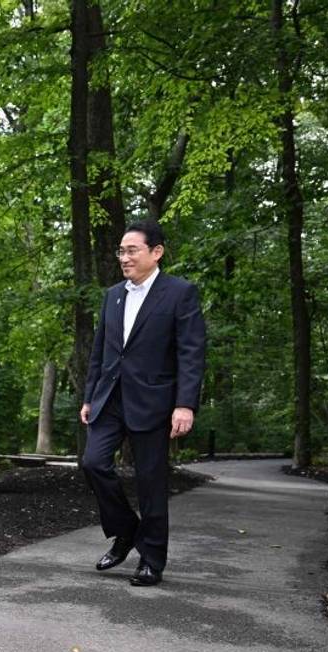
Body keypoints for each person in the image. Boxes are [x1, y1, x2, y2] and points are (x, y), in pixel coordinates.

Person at [79, 219, 205, 587]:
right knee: (93, 462)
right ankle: (126, 529)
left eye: (132, 250)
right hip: (110, 398)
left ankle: (151, 559)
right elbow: (100, 352)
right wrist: (90, 396)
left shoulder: (180, 293)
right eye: (121, 250)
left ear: (157, 252)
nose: (124, 257)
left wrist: (185, 404)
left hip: (154, 402)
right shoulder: (113, 295)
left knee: (151, 482)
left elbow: (191, 352)